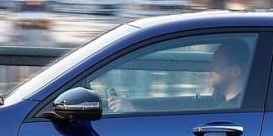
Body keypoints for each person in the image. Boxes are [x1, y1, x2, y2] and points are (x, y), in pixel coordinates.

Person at [107, 39, 250, 113]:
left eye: (217, 64)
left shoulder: (230, 111)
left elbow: (170, 130)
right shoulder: (223, 103)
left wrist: (133, 111)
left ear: (235, 71)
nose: (210, 68)